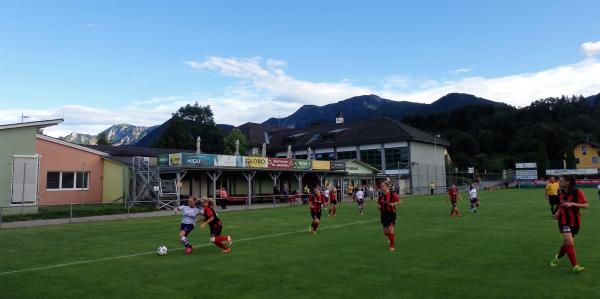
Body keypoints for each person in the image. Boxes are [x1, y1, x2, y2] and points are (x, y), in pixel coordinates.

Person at [550, 175, 588, 273]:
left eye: (561, 181)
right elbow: (561, 204)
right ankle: (575, 266)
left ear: (568, 182)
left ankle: (557, 258)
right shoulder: (560, 191)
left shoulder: (577, 192)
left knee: (566, 243)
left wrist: (572, 204)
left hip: (575, 222)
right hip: (563, 222)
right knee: (570, 242)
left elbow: (585, 205)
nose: (559, 182)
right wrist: (557, 213)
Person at [378, 181, 401, 251]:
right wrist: (379, 207)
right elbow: (379, 204)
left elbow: (400, 201)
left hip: (391, 214)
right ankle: (390, 237)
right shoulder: (381, 195)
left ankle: (392, 246)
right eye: (381, 186)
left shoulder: (392, 194)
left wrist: (394, 204)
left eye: (383, 186)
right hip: (384, 214)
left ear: (387, 186)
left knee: (391, 231)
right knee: (386, 232)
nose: (382, 187)